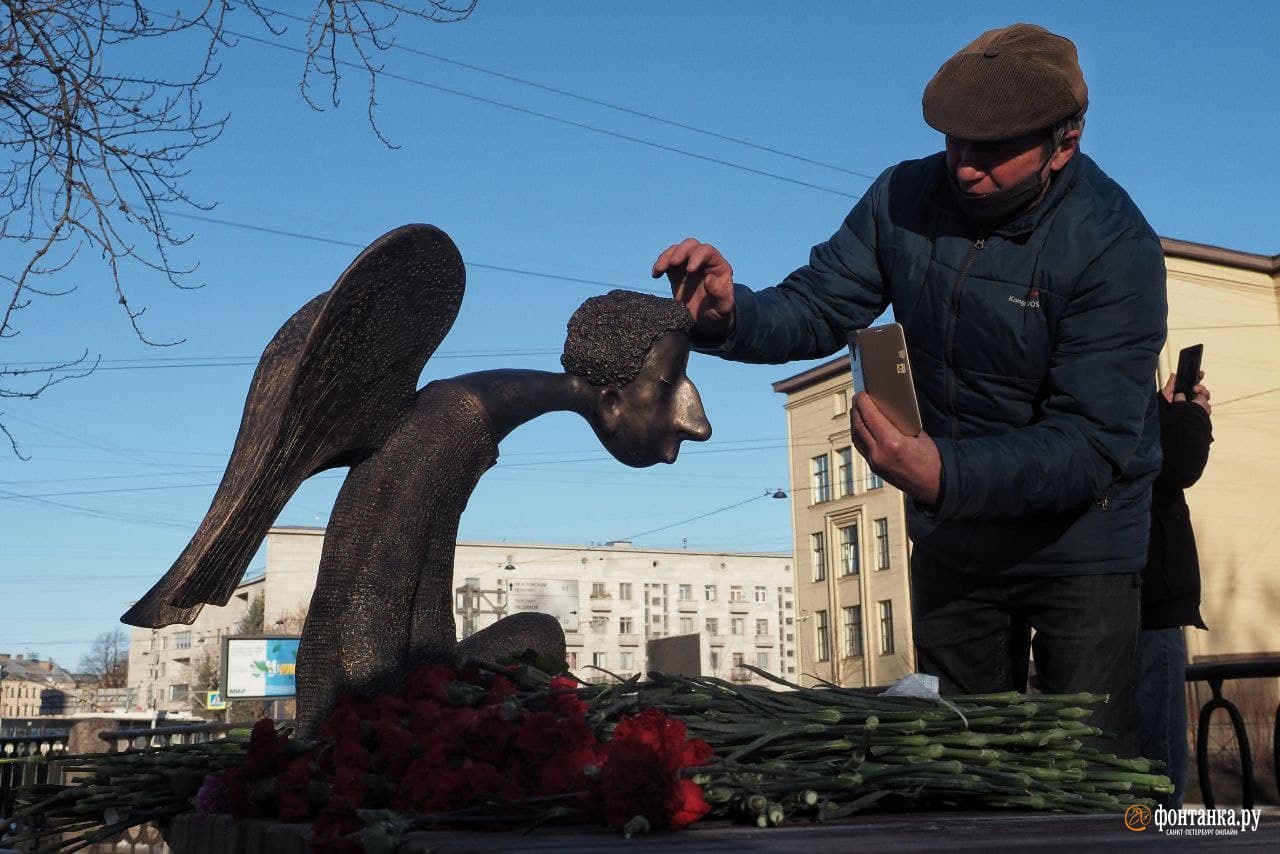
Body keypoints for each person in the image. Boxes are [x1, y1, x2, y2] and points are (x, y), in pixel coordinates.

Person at [653, 23, 1167, 755]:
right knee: (964, 766)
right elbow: (820, 304)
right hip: (955, 541)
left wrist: (942, 472)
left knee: (1082, 778)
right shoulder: (903, 196)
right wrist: (732, 315)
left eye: (993, 149)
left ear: (1066, 142)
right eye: (955, 139)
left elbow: (1092, 443)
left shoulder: (1116, 248)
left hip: (1078, 550)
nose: (964, 166)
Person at [123, 225, 712, 735]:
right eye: (669, 383)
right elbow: (361, 607)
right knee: (539, 639)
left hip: (401, 688)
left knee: (537, 633)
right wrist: (366, 741)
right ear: (610, 400)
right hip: (378, 703)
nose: (696, 421)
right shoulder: (447, 427)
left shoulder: (463, 420)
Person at [1140, 371, 1212, 806]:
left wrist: (1164, 411)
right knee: (1158, 783)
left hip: (1118, 595)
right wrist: (1190, 418)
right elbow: (1177, 461)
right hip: (1151, 599)